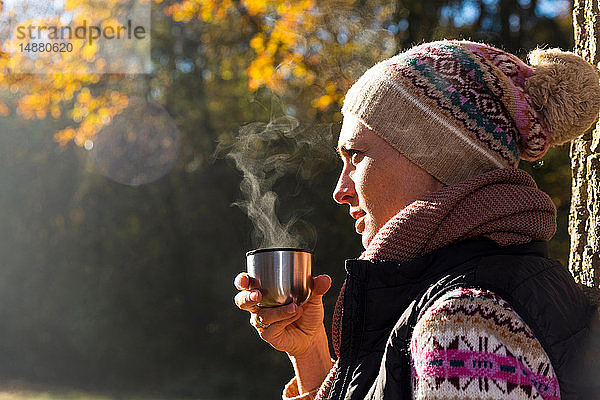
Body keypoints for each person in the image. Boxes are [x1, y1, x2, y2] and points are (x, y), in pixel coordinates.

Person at [234, 40, 600, 400]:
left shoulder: (464, 325)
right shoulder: (483, 292)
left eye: (357, 155)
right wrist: (310, 353)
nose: (340, 190)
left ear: (436, 158)